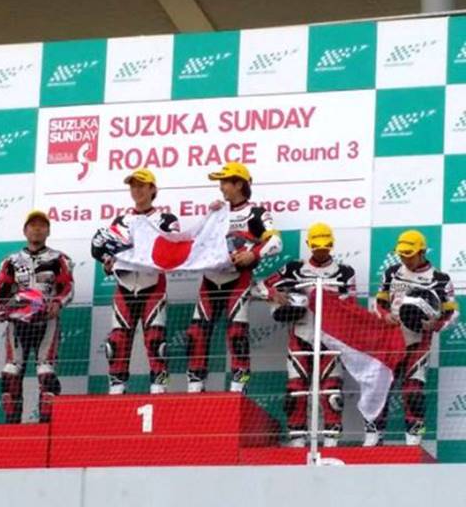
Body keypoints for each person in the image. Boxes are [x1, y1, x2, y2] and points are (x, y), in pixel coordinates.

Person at [252, 222, 356, 447]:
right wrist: (274, 294)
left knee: (332, 392)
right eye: (317, 247)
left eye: (325, 246)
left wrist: (333, 303)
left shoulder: (345, 272)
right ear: (309, 244)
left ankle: (331, 440)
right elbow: (258, 287)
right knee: (295, 391)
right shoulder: (294, 268)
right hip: (300, 334)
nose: (321, 251)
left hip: (331, 339)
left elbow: (352, 306)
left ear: (332, 244)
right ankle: (297, 439)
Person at [186, 162, 282, 394]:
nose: (221, 187)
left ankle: (239, 387)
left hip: (238, 279)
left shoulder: (256, 213)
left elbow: (276, 242)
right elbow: (197, 242)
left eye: (225, 182)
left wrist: (253, 254)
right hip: (209, 280)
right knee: (196, 333)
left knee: (237, 333)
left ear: (239, 184)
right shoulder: (216, 212)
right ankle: (195, 387)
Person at [366, 229, 459, 446]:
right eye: (401, 254)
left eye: (409, 254)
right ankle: (374, 435)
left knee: (413, 389)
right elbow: (379, 302)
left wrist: (436, 324)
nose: (404, 258)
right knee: (381, 386)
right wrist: (385, 315)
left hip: (419, 338)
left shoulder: (440, 279)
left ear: (422, 252)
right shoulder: (391, 273)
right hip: (390, 337)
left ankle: (414, 439)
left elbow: (452, 312)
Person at [91, 168, 179, 395]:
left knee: (156, 342)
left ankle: (159, 388)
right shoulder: (121, 221)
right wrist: (108, 263)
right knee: (117, 342)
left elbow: (173, 250)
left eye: (141, 186)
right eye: (133, 186)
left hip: (153, 285)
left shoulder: (167, 220)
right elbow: (107, 252)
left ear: (153, 189)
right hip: (125, 286)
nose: (137, 190)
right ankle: (117, 389)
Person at [0, 210, 74, 423]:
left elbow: (67, 287)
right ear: (25, 231)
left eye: (42, 225)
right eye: (32, 225)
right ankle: (13, 426)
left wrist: (57, 302)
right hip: (17, 322)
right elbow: (0, 290)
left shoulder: (59, 259)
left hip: (47, 321)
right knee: (10, 372)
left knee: (46, 372)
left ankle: (45, 425)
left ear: (48, 231)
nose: (37, 229)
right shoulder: (11, 260)